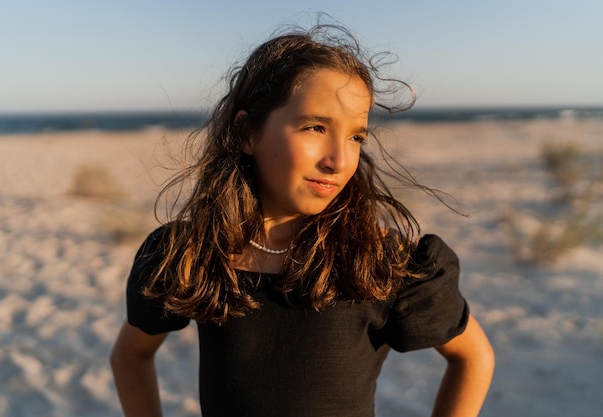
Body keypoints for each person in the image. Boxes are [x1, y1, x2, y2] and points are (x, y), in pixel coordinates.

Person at [110, 22, 494, 417]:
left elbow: (473, 358)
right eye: (315, 127)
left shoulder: (380, 260)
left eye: (356, 137)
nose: (338, 161)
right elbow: (130, 355)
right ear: (246, 132)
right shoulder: (193, 253)